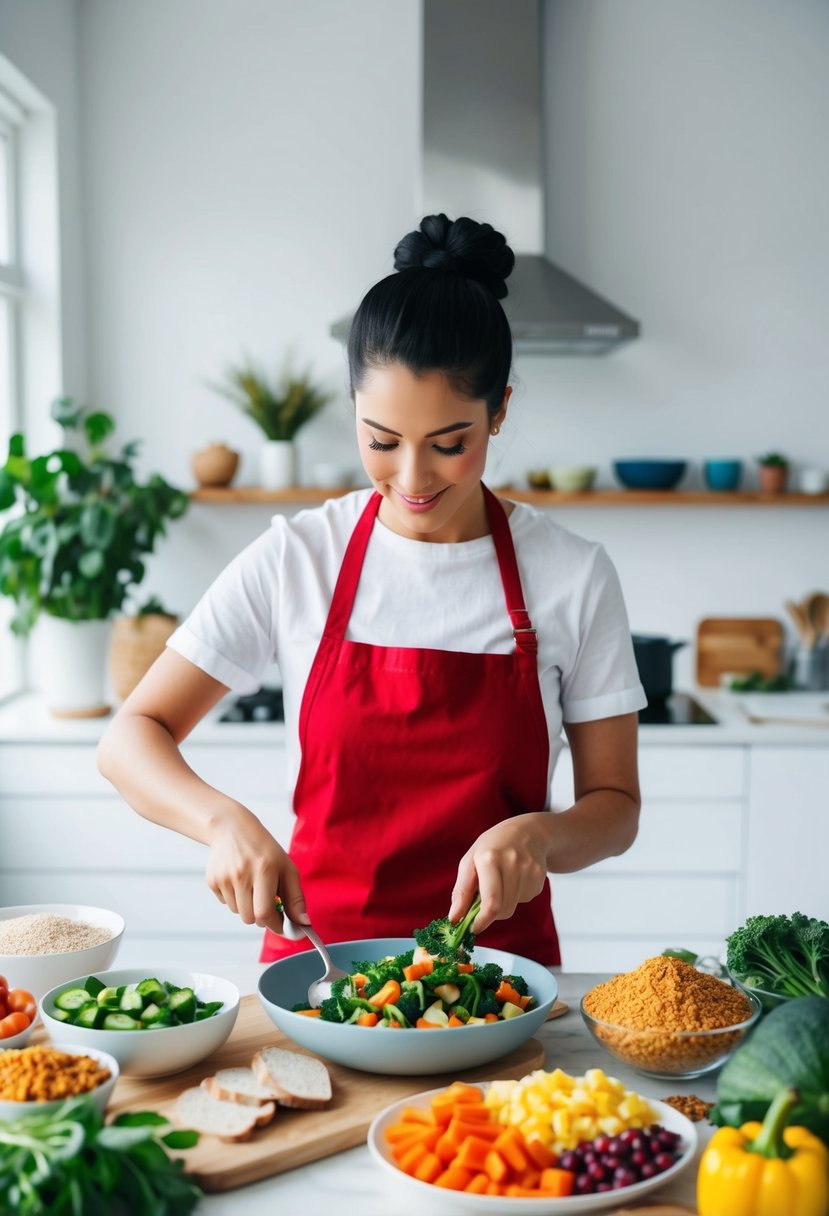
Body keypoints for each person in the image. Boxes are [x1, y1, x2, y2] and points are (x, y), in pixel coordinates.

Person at [97, 213, 646, 966]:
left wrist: (542, 833)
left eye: (451, 444)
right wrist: (220, 821)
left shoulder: (571, 574)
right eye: (380, 441)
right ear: (353, 407)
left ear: (500, 411)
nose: (412, 480)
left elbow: (614, 809)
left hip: (500, 981)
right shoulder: (299, 556)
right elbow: (131, 737)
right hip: (317, 975)